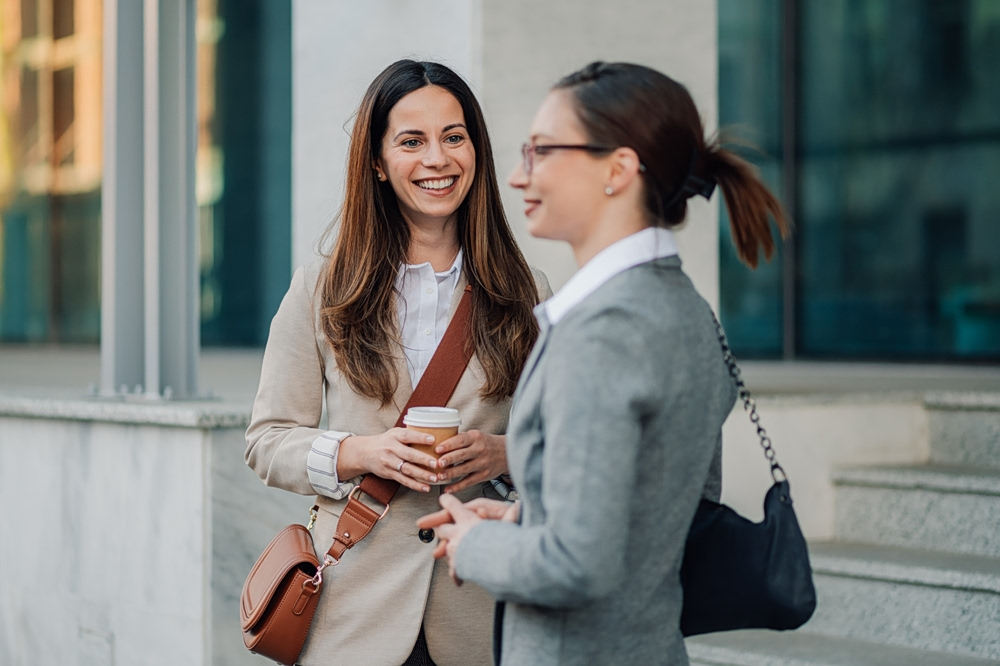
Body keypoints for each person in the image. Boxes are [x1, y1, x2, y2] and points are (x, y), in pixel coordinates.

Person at [418, 61, 791, 665]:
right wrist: (526, 518)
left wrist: (477, 545)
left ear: (617, 169)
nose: (517, 175)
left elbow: (576, 565)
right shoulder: (687, 309)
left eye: (542, 151)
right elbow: (662, 513)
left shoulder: (602, 333)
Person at [245, 59, 550, 666]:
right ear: (378, 163)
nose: (437, 159)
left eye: (453, 137)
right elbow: (267, 440)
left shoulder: (527, 293)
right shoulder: (323, 288)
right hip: (353, 611)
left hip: (480, 605)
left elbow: (567, 447)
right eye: (411, 141)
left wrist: (505, 454)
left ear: (476, 151)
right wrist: (362, 452)